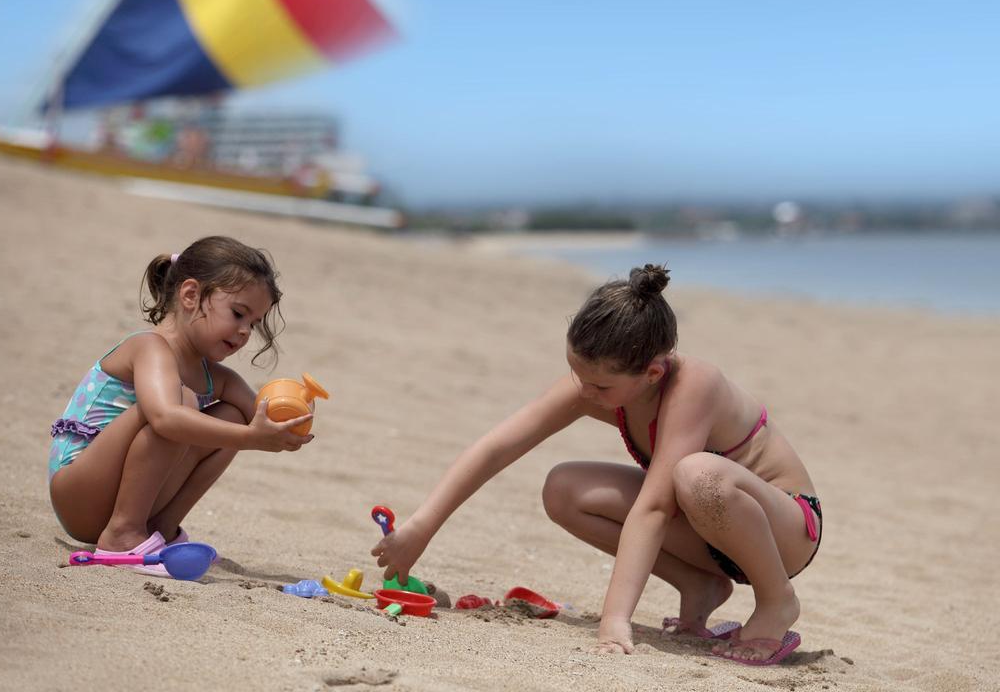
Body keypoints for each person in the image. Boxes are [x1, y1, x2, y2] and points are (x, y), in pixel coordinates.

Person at [371, 264, 821, 665]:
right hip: (706, 528)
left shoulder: (695, 385)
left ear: (652, 374)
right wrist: (420, 528)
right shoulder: (594, 383)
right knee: (564, 487)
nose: (585, 393)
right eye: (577, 375)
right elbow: (498, 446)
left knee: (696, 474)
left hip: (783, 531)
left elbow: (655, 507)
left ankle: (775, 599)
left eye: (600, 387)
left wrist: (614, 621)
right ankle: (699, 586)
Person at [49, 235, 315, 574]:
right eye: (238, 314)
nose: (246, 332)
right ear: (190, 295)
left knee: (231, 417)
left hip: (119, 495)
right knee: (181, 404)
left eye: (254, 323)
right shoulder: (150, 348)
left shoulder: (218, 377)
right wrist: (251, 438)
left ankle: (162, 530)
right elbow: (164, 419)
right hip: (79, 492)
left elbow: (259, 417)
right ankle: (122, 533)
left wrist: (293, 419)